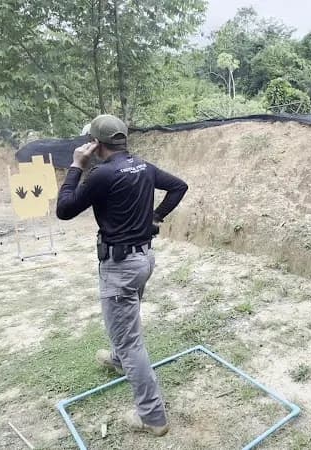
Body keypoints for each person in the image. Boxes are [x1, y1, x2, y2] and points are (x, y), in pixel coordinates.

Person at [56, 114, 188, 436]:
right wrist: (155, 217)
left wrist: (76, 166)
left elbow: (64, 209)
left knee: (130, 342)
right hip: (143, 260)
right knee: (126, 324)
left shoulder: (101, 174)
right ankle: (118, 357)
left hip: (121, 268)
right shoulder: (143, 166)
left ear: (97, 144)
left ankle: (152, 417)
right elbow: (178, 187)